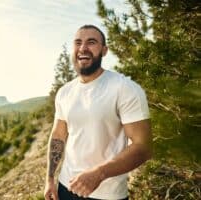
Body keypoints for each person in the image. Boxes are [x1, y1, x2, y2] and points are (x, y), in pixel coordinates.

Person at [44, 24, 152, 200]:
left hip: (107, 194)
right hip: (66, 187)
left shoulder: (124, 88)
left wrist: (99, 173)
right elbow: (58, 135)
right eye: (78, 42)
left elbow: (143, 147)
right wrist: (49, 179)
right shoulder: (65, 92)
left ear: (104, 50)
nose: (83, 48)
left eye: (91, 42)